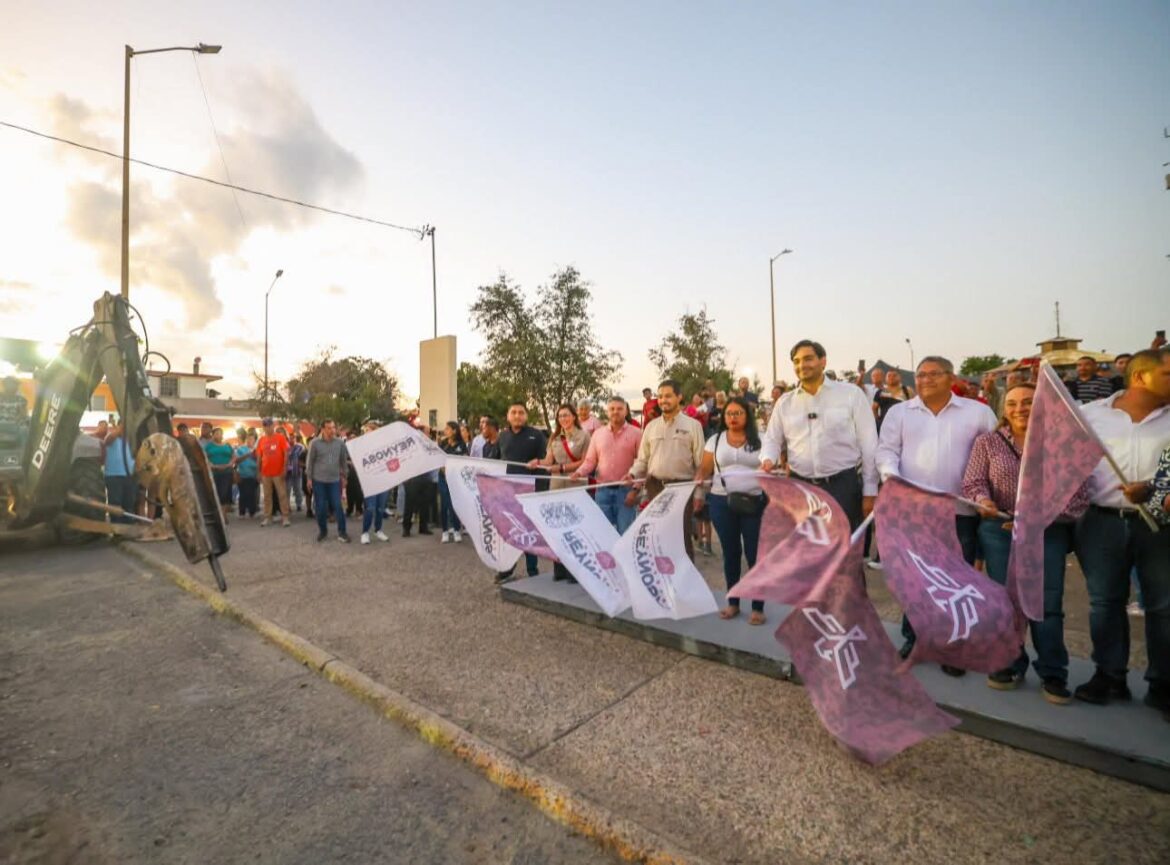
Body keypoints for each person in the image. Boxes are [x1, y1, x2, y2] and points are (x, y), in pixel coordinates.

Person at [962, 382, 1090, 703]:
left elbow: (1079, 494)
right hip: (999, 528)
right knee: (1005, 601)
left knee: (1046, 602)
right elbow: (973, 481)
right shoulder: (988, 442)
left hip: (1048, 531)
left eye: (1028, 402)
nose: (1019, 408)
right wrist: (982, 500)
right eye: (1012, 403)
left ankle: (1052, 672)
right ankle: (1009, 662)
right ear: (1003, 409)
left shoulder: (1062, 444)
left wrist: (1037, 518)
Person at [876, 356, 998, 674]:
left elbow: (996, 453)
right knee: (915, 578)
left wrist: (988, 497)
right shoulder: (899, 413)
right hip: (913, 512)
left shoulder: (978, 412)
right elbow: (886, 450)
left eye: (933, 374)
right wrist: (891, 475)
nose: (925, 379)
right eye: (920, 375)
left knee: (956, 580)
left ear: (950, 377)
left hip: (961, 511)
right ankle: (914, 637)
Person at [1073, 347, 1170, 717]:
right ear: (1141, 377)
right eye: (1169, 375)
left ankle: (1163, 684)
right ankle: (1109, 675)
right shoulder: (1091, 416)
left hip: (1160, 525)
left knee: (1163, 606)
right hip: (1101, 522)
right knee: (1105, 603)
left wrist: (1154, 487)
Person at [760, 340, 878, 530]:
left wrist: (870, 489)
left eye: (808, 359)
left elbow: (869, 444)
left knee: (842, 551)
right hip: (801, 487)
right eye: (796, 361)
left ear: (823, 361)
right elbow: (772, 440)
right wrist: (768, 459)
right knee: (806, 550)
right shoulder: (785, 403)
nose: (802, 365)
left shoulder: (851, 395)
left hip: (842, 488)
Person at [695, 396, 766, 625]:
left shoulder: (762, 439)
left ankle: (757, 607)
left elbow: (773, 466)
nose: (733, 418)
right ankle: (733, 602)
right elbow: (704, 470)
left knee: (755, 555)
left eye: (738, 413)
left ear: (747, 416)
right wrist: (697, 487)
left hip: (755, 503)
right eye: (729, 414)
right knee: (731, 553)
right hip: (721, 503)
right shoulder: (714, 441)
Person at [627, 380, 706, 560]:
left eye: (668, 396)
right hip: (655, 488)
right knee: (658, 537)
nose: (663, 400)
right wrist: (632, 473)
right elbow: (643, 460)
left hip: (682, 489)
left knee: (682, 538)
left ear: (679, 397)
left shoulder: (693, 426)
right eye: (660, 396)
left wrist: (699, 494)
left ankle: (685, 583)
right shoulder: (650, 427)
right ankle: (662, 582)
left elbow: (701, 464)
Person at [573, 396, 642, 533]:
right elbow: (590, 461)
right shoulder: (598, 434)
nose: (615, 411)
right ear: (607, 412)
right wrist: (579, 472)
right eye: (612, 409)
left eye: (619, 408)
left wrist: (635, 490)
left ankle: (622, 556)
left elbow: (643, 463)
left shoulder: (637, 433)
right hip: (602, 491)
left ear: (626, 411)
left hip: (626, 493)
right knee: (603, 534)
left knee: (625, 533)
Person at [496, 403, 549, 580]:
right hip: (507, 493)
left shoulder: (537, 435)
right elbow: (494, 461)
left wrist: (540, 492)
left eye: (521, 412)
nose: (517, 415)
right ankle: (506, 568)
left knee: (528, 532)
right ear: (508, 415)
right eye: (514, 412)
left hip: (529, 493)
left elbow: (545, 462)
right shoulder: (502, 436)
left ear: (526, 416)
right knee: (509, 532)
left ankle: (532, 571)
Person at [307, 419, 350, 543]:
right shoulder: (314, 443)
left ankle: (342, 532)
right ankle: (323, 531)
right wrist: (309, 478)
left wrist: (345, 476)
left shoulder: (340, 443)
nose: (332, 430)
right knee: (320, 507)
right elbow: (310, 462)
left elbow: (343, 461)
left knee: (338, 506)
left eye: (333, 427)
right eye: (329, 428)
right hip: (318, 481)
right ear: (323, 429)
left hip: (334, 480)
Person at [358, 421, 391, 545]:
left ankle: (378, 530)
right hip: (369, 481)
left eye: (370, 430)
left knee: (380, 508)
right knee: (370, 507)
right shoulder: (361, 446)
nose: (368, 433)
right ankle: (365, 532)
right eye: (366, 431)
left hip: (383, 480)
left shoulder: (384, 446)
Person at [255, 418, 291, 528]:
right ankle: (268, 517)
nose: (267, 427)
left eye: (269, 425)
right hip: (265, 473)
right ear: (263, 427)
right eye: (265, 426)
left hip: (278, 472)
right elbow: (259, 457)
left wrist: (284, 469)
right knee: (267, 496)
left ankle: (285, 517)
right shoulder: (261, 440)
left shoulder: (280, 438)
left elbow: (286, 454)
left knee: (282, 495)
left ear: (273, 426)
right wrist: (258, 472)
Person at [438, 421, 468, 543]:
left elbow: (465, 460)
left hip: (455, 478)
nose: (445, 430)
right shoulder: (443, 443)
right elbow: (438, 459)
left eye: (448, 428)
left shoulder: (462, 444)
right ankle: (445, 531)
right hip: (443, 478)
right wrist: (443, 469)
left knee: (454, 504)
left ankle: (456, 530)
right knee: (444, 504)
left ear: (454, 431)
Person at [102, 421, 137, 521]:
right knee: (115, 504)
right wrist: (119, 429)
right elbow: (107, 440)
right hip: (114, 476)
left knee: (129, 504)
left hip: (128, 477)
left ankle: (127, 528)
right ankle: (116, 530)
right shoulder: (112, 438)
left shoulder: (129, 442)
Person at [204, 427, 236, 522]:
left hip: (227, 472)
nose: (219, 435)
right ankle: (218, 514)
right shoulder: (209, 446)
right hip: (214, 472)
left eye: (220, 433)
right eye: (216, 433)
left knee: (225, 493)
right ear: (213, 435)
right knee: (216, 493)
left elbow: (234, 456)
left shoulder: (227, 445)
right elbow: (204, 457)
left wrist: (230, 463)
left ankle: (223, 514)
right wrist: (212, 465)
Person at [235, 432, 259, 518]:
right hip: (242, 474)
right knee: (243, 494)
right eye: (248, 439)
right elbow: (237, 461)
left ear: (255, 441)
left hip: (253, 475)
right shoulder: (240, 449)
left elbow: (260, 462)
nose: (249, 441)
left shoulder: (257, 450)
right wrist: (248, 454)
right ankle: (242, 512)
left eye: (251, 439)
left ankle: (252, 511)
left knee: (252, 494)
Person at [287, 432, 306, 513]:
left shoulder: (300, 447)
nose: (292, 439)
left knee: (298, 489)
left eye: (293, 438)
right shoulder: (286, 447)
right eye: (290, 438)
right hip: (288, 473)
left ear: (296, 438)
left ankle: (299, 505)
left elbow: (303, 457)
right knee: (287, 490)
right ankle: (287, 506)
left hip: (297, 472)